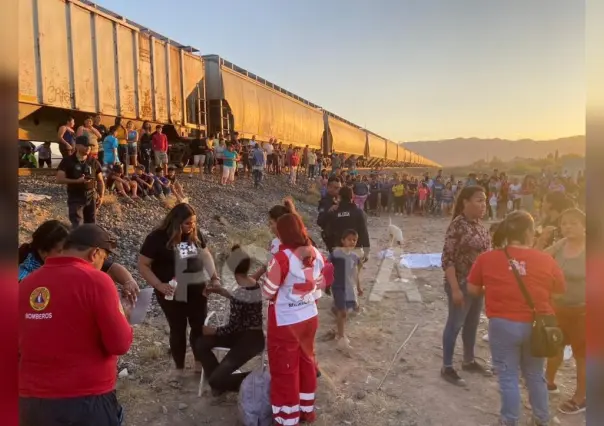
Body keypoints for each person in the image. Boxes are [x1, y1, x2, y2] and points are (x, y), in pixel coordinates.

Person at [19, 224, 133, 426]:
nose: (101, 264)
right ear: (95, 253)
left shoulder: (26, 283)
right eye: (103, 259)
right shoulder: (97, 281)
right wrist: (123, 315)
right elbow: (120, 344)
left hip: (31, 401)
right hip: (85, 400)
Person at [467, 211, 565, 426]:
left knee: (507, 375)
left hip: (503, 325)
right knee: (535, 374)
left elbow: (472, 289)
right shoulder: (546, 259)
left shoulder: (487, 258)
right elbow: (558, 293)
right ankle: (541, 418)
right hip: (537, 325)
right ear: (530, 233)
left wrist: (493, 287)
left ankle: (509, 420)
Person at [138, 203, 219, 378]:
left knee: (198, 327)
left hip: (197, 290)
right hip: (171, 293)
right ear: (176, 223)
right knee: (178, 329)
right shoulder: (157, 238)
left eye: (194, 222)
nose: (192, 227)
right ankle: (179, 368)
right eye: (188, 223)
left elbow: (205, 255)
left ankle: (199, 364)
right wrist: (159, 285)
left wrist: (214, 278)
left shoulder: (194, 234)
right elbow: (143, 265)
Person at [261, 213, 327, 425]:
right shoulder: (315, 252)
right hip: (309, 317)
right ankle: (306, 410)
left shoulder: (281, 258)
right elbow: (319, 284)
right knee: (306, 363)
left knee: (285, 370)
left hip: (286, 321)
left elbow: (268, 292)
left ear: (281, 233)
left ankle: (287, 418)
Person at [195, 244, 264, 396]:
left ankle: (261, 378)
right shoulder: (252, 283)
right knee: (200, 344)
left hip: (249, 340)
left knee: (216, 379)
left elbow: (232, 327)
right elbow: (240, 299)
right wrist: (220, 291)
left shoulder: (241, 291)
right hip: (244, 335)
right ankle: (218, 381)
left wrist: (213, 330)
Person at [440, 185, 492, 386]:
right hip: (461, 284)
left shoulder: (480, 226)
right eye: (479, 200)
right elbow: (448, 259)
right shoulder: (457, 226)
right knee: (455, 324)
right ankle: (447, 366)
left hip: (478, 286)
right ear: (465, 202)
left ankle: (468, 361)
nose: (483, 204)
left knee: (471, 325)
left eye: (484, 200)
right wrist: (454, 289)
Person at [544, 208, 586, 414]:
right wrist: (556, 241)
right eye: (564, 223)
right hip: (558, 309)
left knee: (583, 356)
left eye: (573, 223)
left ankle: (581, 397)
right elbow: (539, 259)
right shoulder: (561, 246)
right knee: (554, 348)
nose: (567, 227)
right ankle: (548, 382)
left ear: (585, 226)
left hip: (584, 312)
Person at [56, 136, 105, 227]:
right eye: (86, 145)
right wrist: (77, 181)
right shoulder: (67, 161)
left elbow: (100, 181)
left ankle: (89, 241)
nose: (88, 148)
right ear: (77, 146)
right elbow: (59, 179)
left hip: (91, 196)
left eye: (90, 146)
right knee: (77, 224)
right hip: (75, 196)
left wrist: (101, 196)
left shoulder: (93, 162)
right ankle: (76, 240)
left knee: (91, 224)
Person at [329, 229, 363, 351]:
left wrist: (358, 287)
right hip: (337, 286)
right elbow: (327, 268)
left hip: (349, 287)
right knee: (343, 312)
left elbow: (355, 273)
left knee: (348, 309)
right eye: (349, 239)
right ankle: (341, 336)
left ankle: (336, 310)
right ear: (342, 240)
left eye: (354, 240)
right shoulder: (336, 254)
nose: (352, 242)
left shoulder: (355, 257)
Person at [324, 186, 370, 262]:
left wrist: (331, 250)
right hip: (355, 250)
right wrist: (366, 251)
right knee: (354, 272)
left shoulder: (334, 212)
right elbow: (363, 232)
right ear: (352, 197)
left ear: (339, 197)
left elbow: (328, 233)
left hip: (338, 250)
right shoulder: (359, 212)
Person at [317, 176, 342, 253]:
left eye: (339, 188)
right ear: (329, 187)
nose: (339, 190)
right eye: (336, 188)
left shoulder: (337, 200)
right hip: (331, 236)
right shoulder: (325, 202)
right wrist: (330, 211)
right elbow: (320, 221)